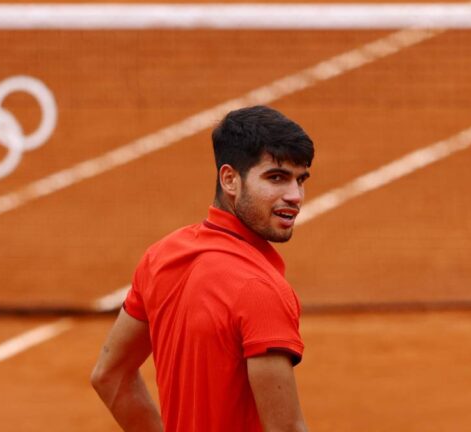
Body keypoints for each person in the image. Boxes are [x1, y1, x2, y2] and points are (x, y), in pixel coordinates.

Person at [91, 105, 314, 432]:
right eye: (276, 178)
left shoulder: (161, 257)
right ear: (230, 180)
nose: (294, 196)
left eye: (300, 180)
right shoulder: (261, 290)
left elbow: (110, 376)